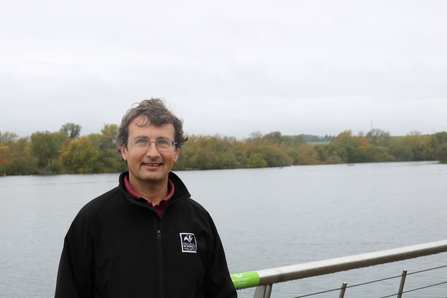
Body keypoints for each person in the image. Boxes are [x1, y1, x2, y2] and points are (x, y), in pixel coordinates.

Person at [55, 99, 237, 298]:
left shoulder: (198, 219)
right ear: (124, 150)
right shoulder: (92, 219)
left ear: (176, 152)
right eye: (141, 141)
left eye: (163, 142)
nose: (153, 153)